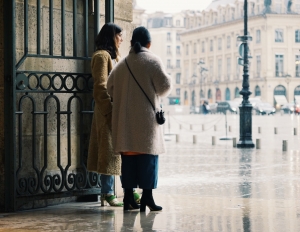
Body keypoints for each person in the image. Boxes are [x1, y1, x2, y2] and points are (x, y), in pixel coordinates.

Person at [107, 26, 172, 211]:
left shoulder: (122, 64)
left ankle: (128, 198)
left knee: (128, 161)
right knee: (148, 160)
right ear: (149, 43)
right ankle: (147, 198)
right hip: (146, 122)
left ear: (131, 43)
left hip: (125, 122)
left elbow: (109, 87)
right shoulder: (152, 61)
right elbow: (164, 87)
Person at [87, 23, 140, 207]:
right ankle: (107, 193)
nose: (122, 39)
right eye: (119, 36)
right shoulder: (102, 57)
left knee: (123, 151)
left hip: (118, 111)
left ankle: (129, 191)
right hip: (107, 112)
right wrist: (109, 112)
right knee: (108, 153)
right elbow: (100, 87)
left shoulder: (114, 57)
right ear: (111, 37)